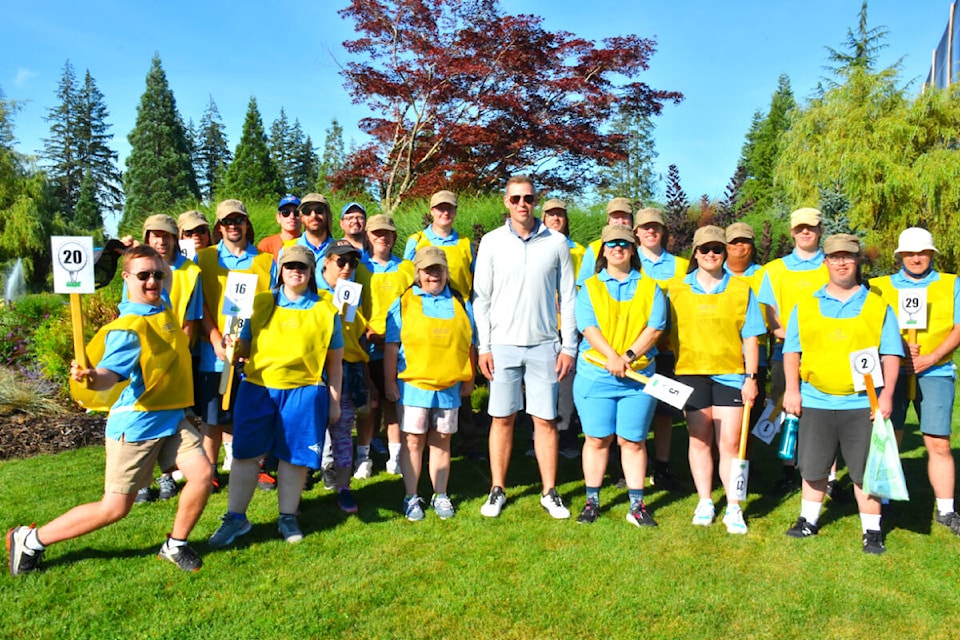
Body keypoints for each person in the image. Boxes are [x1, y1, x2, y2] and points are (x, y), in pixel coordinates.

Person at [7, 246, 212, 575]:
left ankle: (175, 545)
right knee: (114, 508)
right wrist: (91, 378)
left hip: (173, 418)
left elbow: (170, 273)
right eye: (142, 275)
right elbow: (107, 377)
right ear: (127, 279)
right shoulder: (128, 329)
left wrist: (135, 251)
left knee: (202, 474)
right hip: (137, 425)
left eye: (157, 274)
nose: (152, 281)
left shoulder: (164, 306)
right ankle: (30, 539)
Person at [208, 245, 343, 546]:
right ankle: (235, 519)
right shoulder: (259, 302)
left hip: (305, 391)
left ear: (311, 272)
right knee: (245, 455)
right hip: (258, 388)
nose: (296, 271)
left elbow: (334, 364)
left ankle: (287, 517)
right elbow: (241, 349)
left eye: (303, 266)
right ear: (280, 270)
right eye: (290, 266)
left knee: (294, 458)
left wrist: (334, 402)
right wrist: (233, 345)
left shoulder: (326, 311)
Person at [782, 234, 902, 554]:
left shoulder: (877, 305)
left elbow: (891, 353)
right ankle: (808, 520)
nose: (841, 262)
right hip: (817, 398)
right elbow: (792, 350)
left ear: (857, 260)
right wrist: (792, 390)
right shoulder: (807, 305)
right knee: (813, 465)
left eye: (847, 256)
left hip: (864, 402)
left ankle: (872, 531)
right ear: (825, 261)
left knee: (866, 471)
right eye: (834, 256)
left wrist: (887, 395)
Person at [473, 175, 577, 519]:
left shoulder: (557, 242)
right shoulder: (490, 242)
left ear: (536, 201)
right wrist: (484, 346)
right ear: (506, 202)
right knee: (501, 418)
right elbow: (481, 299)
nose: (522, 204)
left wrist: (569, 347)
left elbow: (569, 298)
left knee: (545, 420)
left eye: (528, 198)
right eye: (515, 198)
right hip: (501, 345)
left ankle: (550, 492)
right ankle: (497, 489)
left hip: (545, 345)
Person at [669, 225, 763, 534]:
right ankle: (705, 500)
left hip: (731, 374)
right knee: (699, 438)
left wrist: (751, 377)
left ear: (725, 253)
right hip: (691, 372)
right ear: (695, 253)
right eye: (705, 249)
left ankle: (734, 506)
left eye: (717, 249)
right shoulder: (676, 289)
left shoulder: (741, 289)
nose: (711, 254)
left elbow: (750, 338)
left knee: (731, 443)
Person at [573, 226, 666, 526]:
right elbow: (588, 327)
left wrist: (627, 358)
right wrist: (612, 358)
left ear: (633, 248)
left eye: (624, 243)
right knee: (597, 439)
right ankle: (592, 502)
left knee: (633, 440)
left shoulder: (651, 287)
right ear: (602, 250)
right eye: (611, 243)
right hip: (595, 376)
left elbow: (655, 327)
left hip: (636, 379)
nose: (617, 248)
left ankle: (637, 506)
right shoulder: (588, 287)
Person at [870, 227, 960, 535]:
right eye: (910, 253)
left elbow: (958, 327)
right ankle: (881, 501)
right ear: (900, 256)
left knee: (938, 441)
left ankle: (946, 510)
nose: (917, 257)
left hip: (935, 372)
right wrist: (898, 351)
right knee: (888, 438)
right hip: (891, 373)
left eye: (922, 252)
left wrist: (931, 358)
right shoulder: (878, 287)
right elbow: (868, 327)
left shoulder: (952, 285)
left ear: (932, 254)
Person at [384, 246, 477, 521]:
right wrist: (390, 383)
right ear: (418, 273)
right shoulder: (403, 301)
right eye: (428, 270)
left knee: (442, 441)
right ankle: (411, 497)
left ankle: (441, 494)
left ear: (446, 272)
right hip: (414, 385)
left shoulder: (461, 301)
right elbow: (391, 347)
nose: (433, 275)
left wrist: (469, 379)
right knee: (413, 441)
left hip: (449, 387)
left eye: (438, 269)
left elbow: (470, 344)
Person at [196, 199, 275, 490]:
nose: (233, 226)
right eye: (227, 221)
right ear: (219, 227)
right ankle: (208, 473)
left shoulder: (265, 262)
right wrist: (216, 338)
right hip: (213, 354)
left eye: (238, 220)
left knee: (251, 414)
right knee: (213, 418)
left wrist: (252, 346)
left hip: (251, 355)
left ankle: (256, 467)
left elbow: (270, 308)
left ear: (246, 223)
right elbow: (199, 306)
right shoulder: (203, 260)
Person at [402, 190, 483, 461]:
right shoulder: (417, 240)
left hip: (459, 313)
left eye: (449, 208)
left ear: (455, 211)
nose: (444, 213)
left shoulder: (465, 243)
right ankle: (421, 450)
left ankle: (468, 445)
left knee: (461, 382)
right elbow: (408, 281)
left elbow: (475, 281)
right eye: (439, 208)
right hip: (427, 317)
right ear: (432, 210)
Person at [129, 214, 204, 504]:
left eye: (167, 235)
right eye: (154, 235)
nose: (161, 241)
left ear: (176, 239)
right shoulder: (138, 269)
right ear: (147, 238)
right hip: (144, 359)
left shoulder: (191, 272)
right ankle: (143, 481)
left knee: (176, 420)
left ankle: (167, 476)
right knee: (145, 417)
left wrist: (173, 357)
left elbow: (191, 321)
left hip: (177, 358)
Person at [757, 208, 828, 496]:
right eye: (800, 228)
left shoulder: (832, 264)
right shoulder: (774, 270)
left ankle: (828, 474)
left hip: (827, 348)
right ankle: (788, 470)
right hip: (786, 349)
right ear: (792, 232)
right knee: (786, 408)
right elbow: (771, 314)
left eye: (810, 227)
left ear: (820, 230)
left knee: (826, 409)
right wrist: (785, 333)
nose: (805, 232)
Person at [633, 207, 690, 491]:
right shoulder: (631, 263)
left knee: (665, 412)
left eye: (656, 227)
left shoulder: (681, 265)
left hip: (669, 349)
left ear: (663, 231)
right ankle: (632, 467)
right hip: (638, 349)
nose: (651, 232)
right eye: (645, 227)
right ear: (637, 232)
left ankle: (663, 466)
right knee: (638, 410)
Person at [355, 214, 415, 478]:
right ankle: (363, 458)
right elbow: (349, 309)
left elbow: (414, 306)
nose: (382, 237)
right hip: (366, 346)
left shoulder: (407, 269)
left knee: (393, 402)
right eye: (377, 233)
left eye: (387, 233)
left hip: (398, 348)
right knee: (369, 405)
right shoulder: (358, 268)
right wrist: (365, 331)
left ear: (394, 237)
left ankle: (395, 457)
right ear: (368, 236)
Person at [316, 239, 370, 512]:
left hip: (347, 372)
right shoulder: (312, 294)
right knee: (308, 435)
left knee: (342, 433)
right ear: (326, 262)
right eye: (341, 261)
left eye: (353, 262)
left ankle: (344, 488)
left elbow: (357, 334)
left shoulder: (351, 295)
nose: (347, 267)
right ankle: (296, 494)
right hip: (314, 373)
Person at [541, 198, 584, 460]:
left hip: (568, 327)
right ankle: (540, 437)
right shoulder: (536, 246)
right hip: (542, 327)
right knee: (542, 386)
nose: (555, 219)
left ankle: (567, 438)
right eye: (550, 215)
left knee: (566, 386)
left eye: (560, 215)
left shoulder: (578, 250)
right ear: (543, 218)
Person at [724, 222, 769, 426]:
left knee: (751, 415)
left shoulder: (765, 275)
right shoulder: (714, 273)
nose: (739, 246)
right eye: (734, 241)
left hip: (755, 355)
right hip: (722, 356)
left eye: (745, 241)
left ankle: (747, 458)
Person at [289, 193, 335, 270]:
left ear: (327, 215)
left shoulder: (340, 250)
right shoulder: (288, 248)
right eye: (307, 211)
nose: (313, 215)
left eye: (319, 210)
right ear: (301, 217)